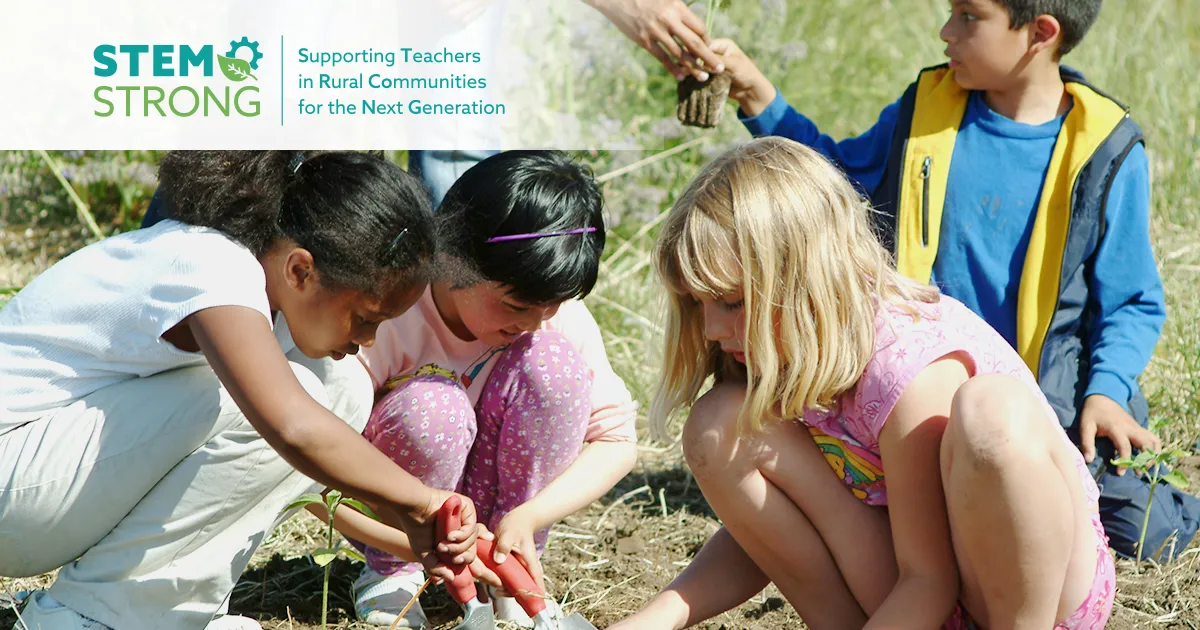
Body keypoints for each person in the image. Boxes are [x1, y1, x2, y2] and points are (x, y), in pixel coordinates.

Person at [710, 0, 1199, 560]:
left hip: (1047, 399)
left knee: (1142, 528)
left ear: (1041, 33)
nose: (946, 32)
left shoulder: (1107, 148)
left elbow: (1131, 300)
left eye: (968, 16)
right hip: (918, 390)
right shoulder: (924, 111)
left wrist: (1107, 392)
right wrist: (756, 97)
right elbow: (832, 184)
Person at [613, 137, 1113, 629]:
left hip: (1026, 601)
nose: (711, 331)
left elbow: (929, 580)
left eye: (731, 302)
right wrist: (653, 619)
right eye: (699, 305)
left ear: (803, 279)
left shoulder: (906, 365)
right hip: (916, 596)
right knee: (719, 424)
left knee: (994, 414)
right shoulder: (789, 347)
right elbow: (769, 533)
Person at [0, 151, 479, 630]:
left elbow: (320, 450)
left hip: (47, 483)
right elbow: (292, 426)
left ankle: (160, 609)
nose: (368, 339)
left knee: (343, 387)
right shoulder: (207, 265)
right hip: (12, 480)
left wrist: (428, 532)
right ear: (300, 271)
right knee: (273, 405)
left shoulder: (275, 291)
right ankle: (89, 617)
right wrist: (421, 500)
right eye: (366, 318)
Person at [344, 151, 639, 628]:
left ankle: (508, 569)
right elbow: (320, 452)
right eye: (515, 305)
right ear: (452, 258)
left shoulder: (550, 321)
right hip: (398, 517)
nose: (534, 324)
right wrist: (407, 530)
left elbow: (617, 441)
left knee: (554, 365)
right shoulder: (394, 311)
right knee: (432, 408)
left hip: (498, 522)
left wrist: (526, 518)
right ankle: (391, 574)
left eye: (551, 306)